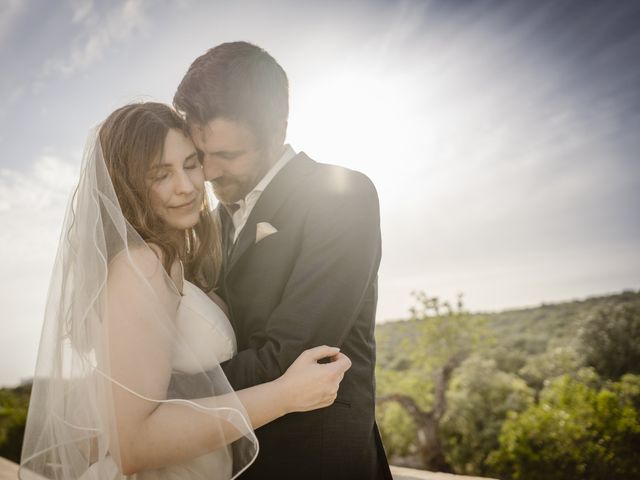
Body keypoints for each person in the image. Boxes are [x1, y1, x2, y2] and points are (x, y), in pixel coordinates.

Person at [19, 102, 351, 480]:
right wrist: (284, 396)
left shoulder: (171, 259)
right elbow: (133, 445)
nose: (187, 186)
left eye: (191, 164)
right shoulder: (140, 266)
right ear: (126, 187)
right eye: (161, 174)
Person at [172, 41, 393, 479]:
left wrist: (156, 395)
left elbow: (288, 356)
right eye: (201, 156)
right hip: (229, 457)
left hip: (318, 459)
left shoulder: (341, 195)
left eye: (229, 155)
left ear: (278, 130)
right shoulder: (211, 220)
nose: (210, 173)